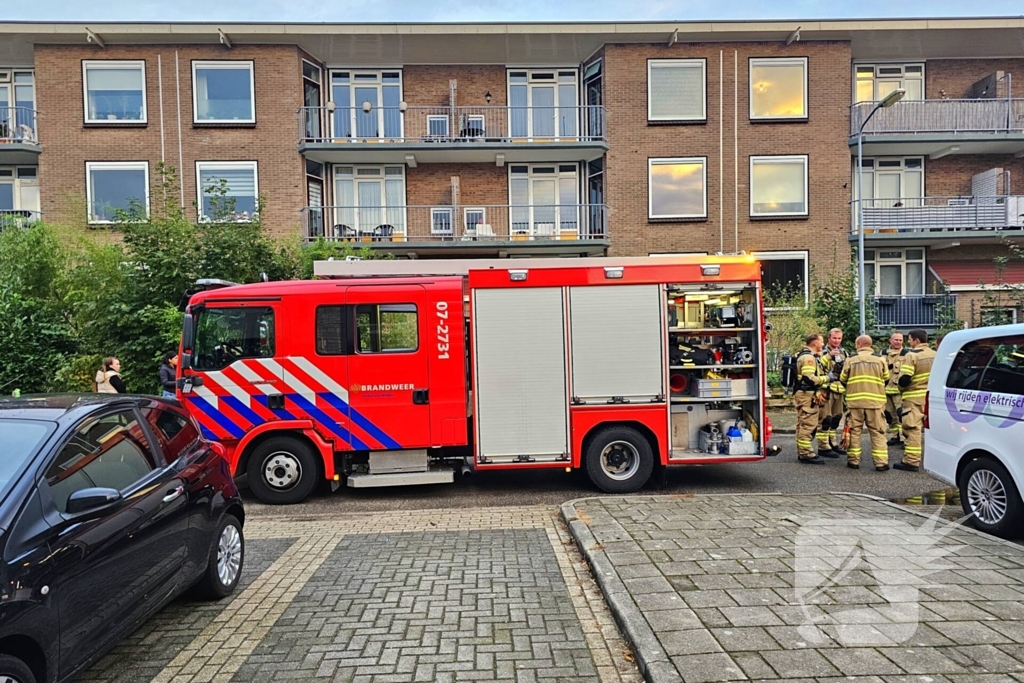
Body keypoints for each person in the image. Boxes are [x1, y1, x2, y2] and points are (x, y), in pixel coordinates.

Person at [840, 334, 890, 472]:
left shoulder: (851, 360)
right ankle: (881, 463)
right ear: (870, 344)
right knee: (877, 432)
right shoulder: (880, 359)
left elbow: (843, 379)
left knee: (854, 431)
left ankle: (853, 461)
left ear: (859, 345)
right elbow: (886, 378)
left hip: (855, 403)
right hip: (875, 403)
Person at [896, 328, 936, 472]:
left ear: (916, 340)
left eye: (910, 339)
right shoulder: (936, 354)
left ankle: (911, 461)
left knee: (912, 428)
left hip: (914, 398)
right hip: (932, 397)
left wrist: (900, 388)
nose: (909, 342)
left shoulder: (912, 355)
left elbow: (905, 378)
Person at [794, 333, 831, 464]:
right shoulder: (809, 358)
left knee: (803, 424)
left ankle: (803, 452)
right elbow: (809, 378)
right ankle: (806, 454)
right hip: (807, 396)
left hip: (805, 394)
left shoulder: (807, 355)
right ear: (815, 343)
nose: (823, 344)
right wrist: (827, 378)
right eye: (822, 342)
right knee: (808, 425)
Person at [818, 328, 849, 457]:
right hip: (826, 388)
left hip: (839, 388)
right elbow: (817, 367)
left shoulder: (844, 352)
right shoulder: (821, 351)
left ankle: (833, 443)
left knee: (836, 417)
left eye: (839, 338)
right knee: (826, 418)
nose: (837, 341)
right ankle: (823, 446)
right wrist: (829, 356)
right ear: (829, 338)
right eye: (834, 338)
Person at [884, 332, 907, 446]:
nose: (898, 342)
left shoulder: (906, 354)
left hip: (899, 390)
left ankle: (904, 437)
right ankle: (894, 436)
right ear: (890, 340)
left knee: (901, 414)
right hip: (886, 389)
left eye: (900, 340)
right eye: (896, 340)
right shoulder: (883, 353)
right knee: (889, 415)